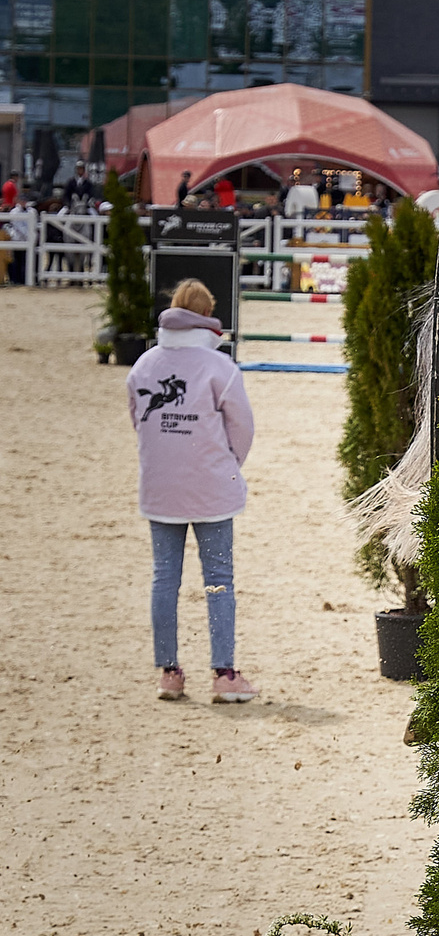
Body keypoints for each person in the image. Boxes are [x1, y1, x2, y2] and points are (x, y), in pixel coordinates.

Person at [127, 279, 257, 703]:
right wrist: (226, 465)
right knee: (219, 579)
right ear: (208, 317)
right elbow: (242, 428)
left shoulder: (143, 365)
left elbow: (138, 422)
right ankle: (224, 673)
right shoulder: (220, 368)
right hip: (211, 489)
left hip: (160, 484)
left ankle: (169, 671)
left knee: (164, 579)